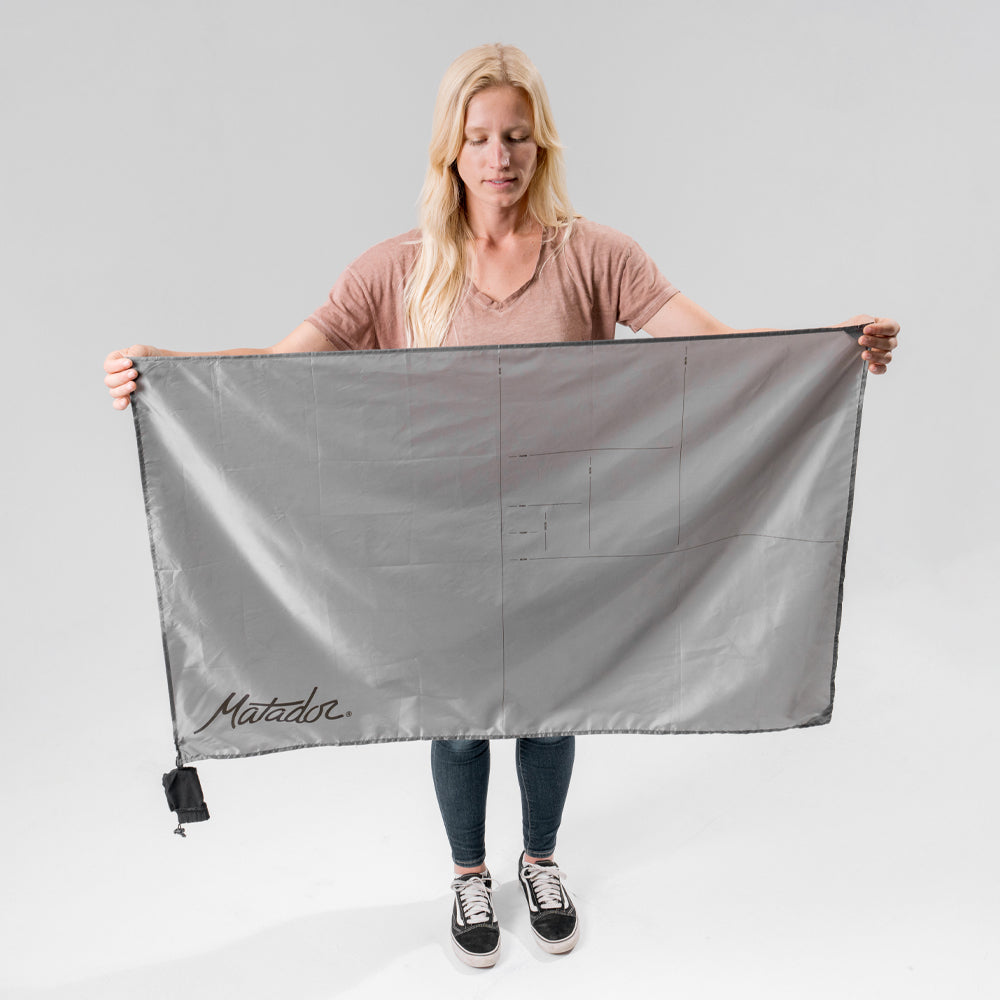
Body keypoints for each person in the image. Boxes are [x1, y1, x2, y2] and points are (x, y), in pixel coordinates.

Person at [104, 43, 900, 969]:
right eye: (479, 138)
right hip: (440, 541)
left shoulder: (596, 255)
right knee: (455, 711)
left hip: (564, 531)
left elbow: (715, 349)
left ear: (541, 143)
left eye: (516, 136)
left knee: (553, 704)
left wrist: (833, 349)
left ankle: (541, 860)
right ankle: (469, 872)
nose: (499, 157)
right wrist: (166, 370)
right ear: (451, 149)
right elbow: (281, 371)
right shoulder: (395, 269)